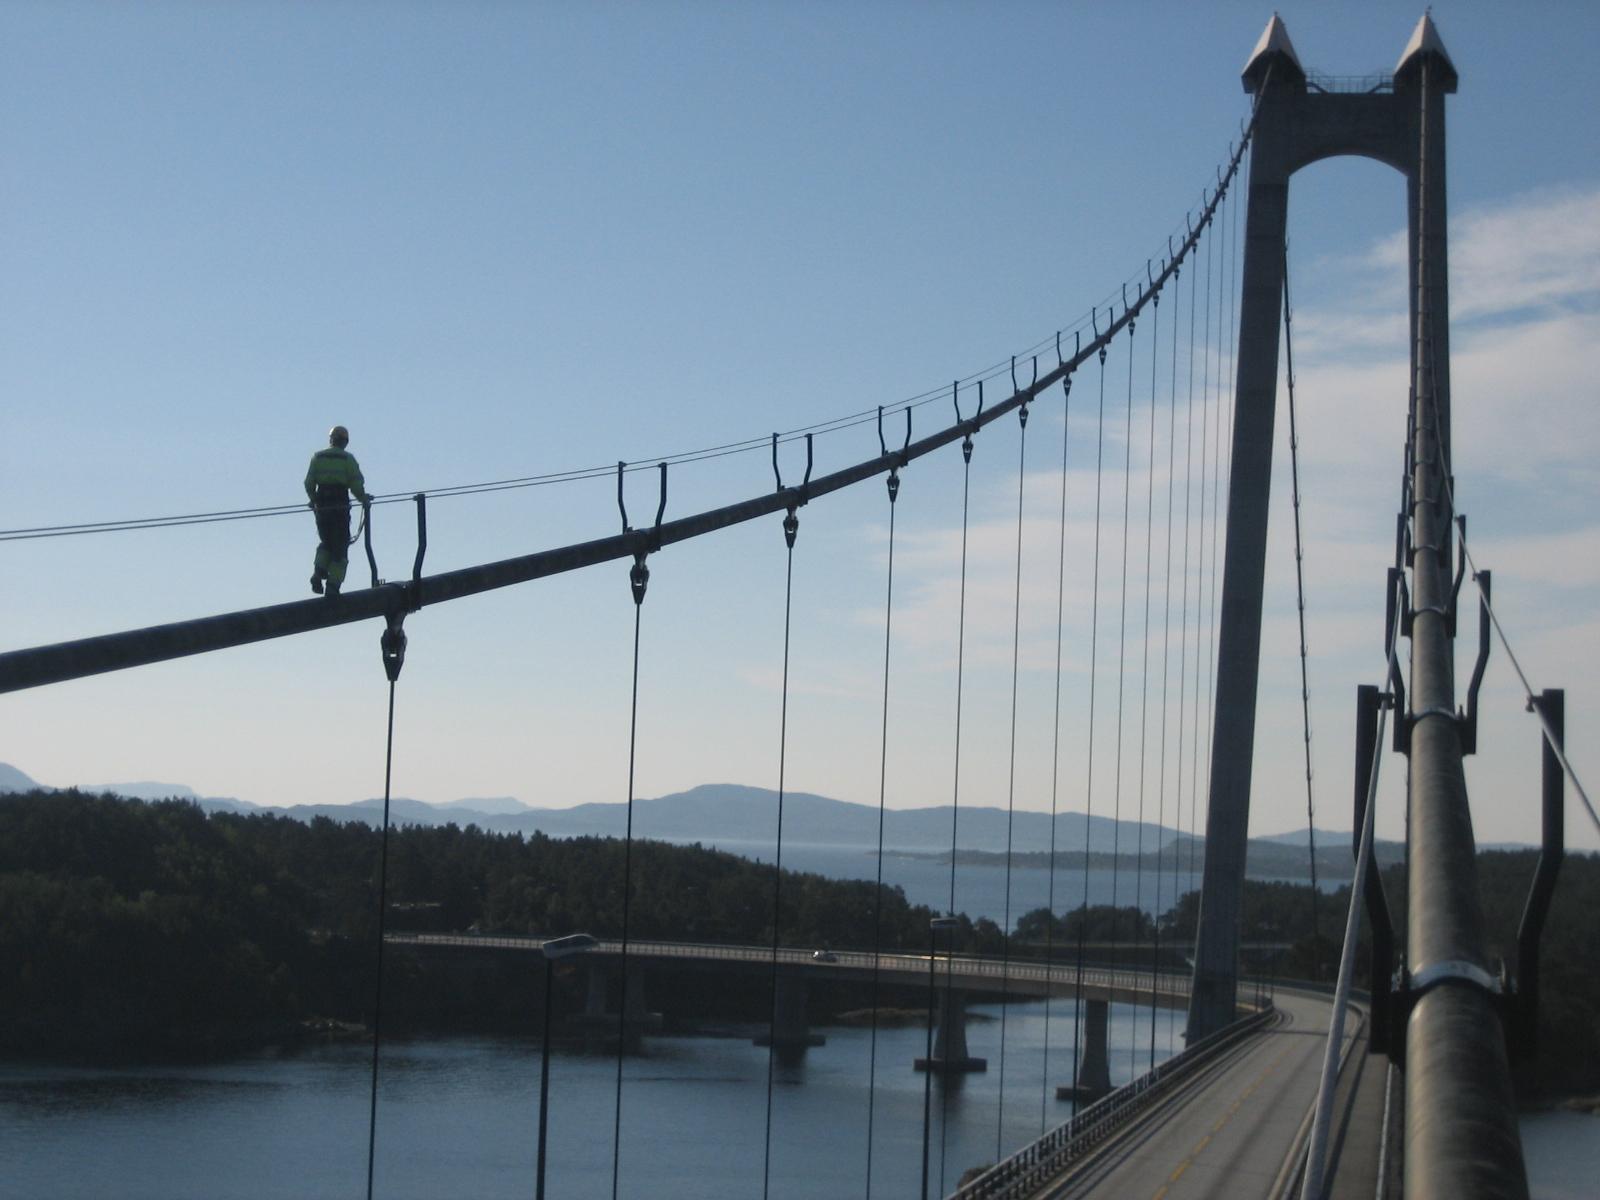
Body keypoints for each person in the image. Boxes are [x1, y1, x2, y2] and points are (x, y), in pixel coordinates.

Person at [304, 425, 371, 597]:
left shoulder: (317, 457)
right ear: (345, 442)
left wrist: (313, 499)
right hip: (339, 504)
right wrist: (364, 498)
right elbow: (356, 484)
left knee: (326, 542)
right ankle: (333, 586)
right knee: (340, 547)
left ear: (330, 439)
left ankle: (318, 573)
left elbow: (309, 482)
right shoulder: (347, 460)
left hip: (322, 504)